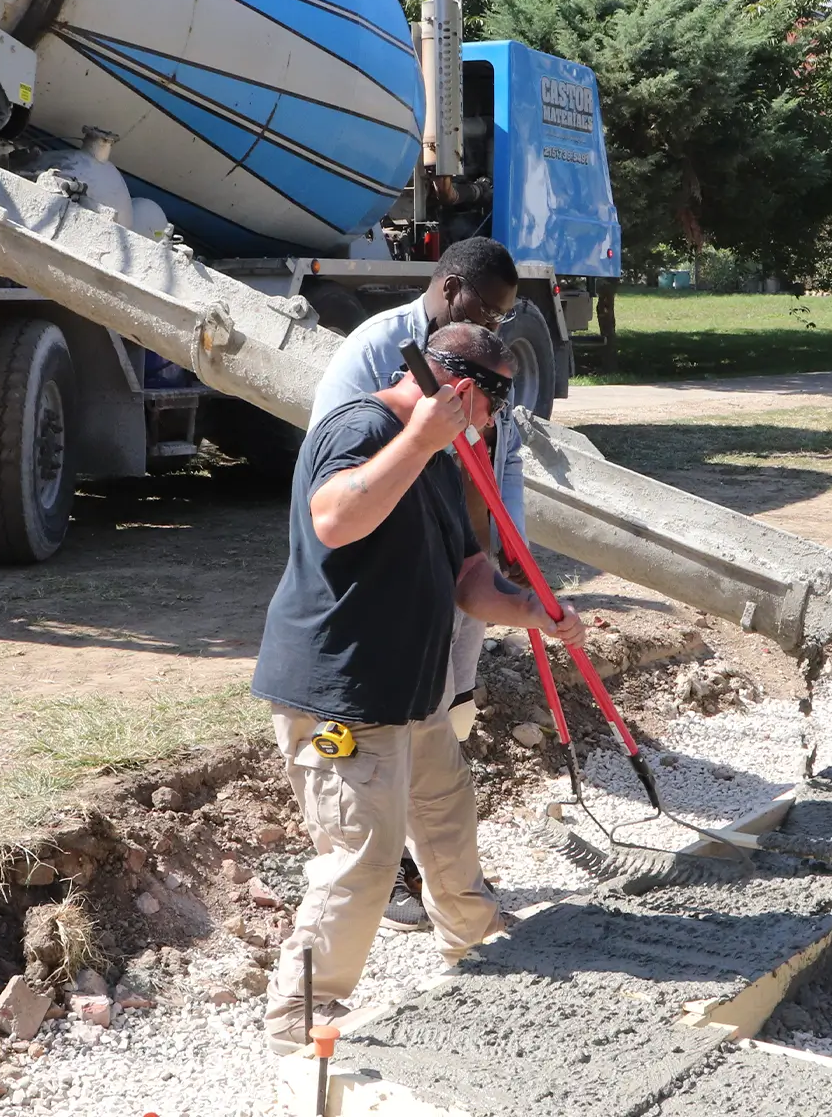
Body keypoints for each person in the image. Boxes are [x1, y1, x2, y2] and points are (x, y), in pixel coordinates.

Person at [254, 322, 585, 1054]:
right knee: (363, 860)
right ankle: (296, 1020)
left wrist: (531, 609)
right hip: (343, 689)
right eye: (490, 407)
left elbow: (470, 575)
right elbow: (336, 519)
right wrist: (421, 439)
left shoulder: (442, 453)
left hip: (413, 685)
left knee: (445, 817)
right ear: (463, 391)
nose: (491, 426)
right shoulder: (364, 426)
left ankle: (477, 942)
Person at [308, 236, 524, 930]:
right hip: (387, 576)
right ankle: (395, 870)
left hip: (458, 562)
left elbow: (500, 458)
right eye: (488, 309)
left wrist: (501, 553)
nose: (495, 324)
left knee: (447, 716)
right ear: (452, 286)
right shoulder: (381, 351)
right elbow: (338, 470)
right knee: (379, 739)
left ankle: (453, 892)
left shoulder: (481, 364)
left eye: (503, 316)